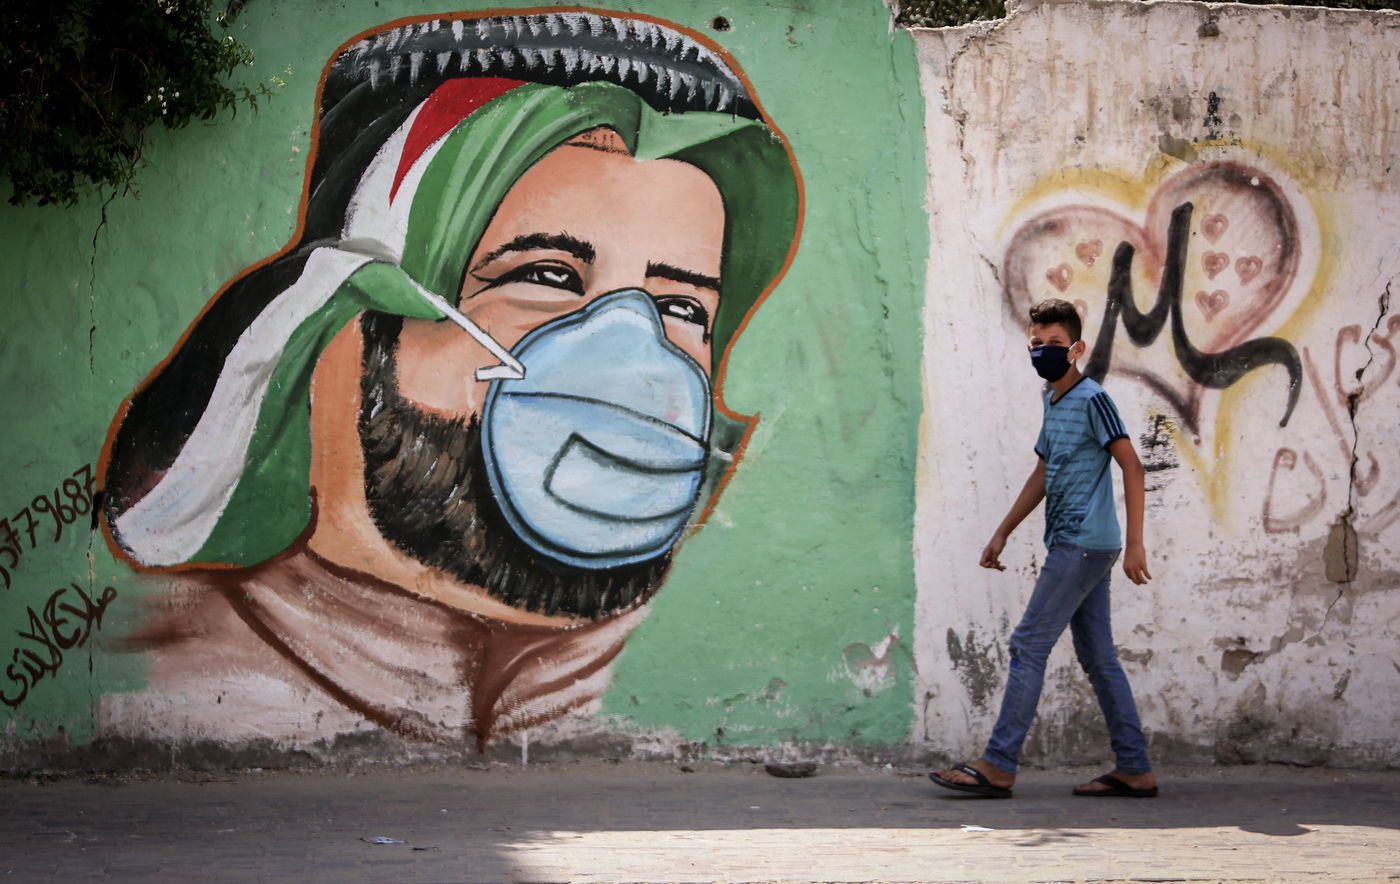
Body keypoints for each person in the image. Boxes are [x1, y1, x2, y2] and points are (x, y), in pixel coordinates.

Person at [96, 11, 799, 750]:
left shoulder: (667, 676)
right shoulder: (175, 670)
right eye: (547, 276)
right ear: (345, 318)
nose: (632, 359)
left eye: (681, 305)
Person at [930, 298, 1158, 798]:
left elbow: (1133, 466)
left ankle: (998, 764)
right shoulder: (1051, 400)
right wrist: (1003, 530)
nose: (1045, 352)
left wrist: (1137, 544)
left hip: (1083, 544)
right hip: (1076, 543)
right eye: (1037, 344)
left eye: (1055, 344)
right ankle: (1135, 768)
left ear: (1076, 348)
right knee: (1098, 656)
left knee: (1027, 644)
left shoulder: (1094, 398)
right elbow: (1043, 472)